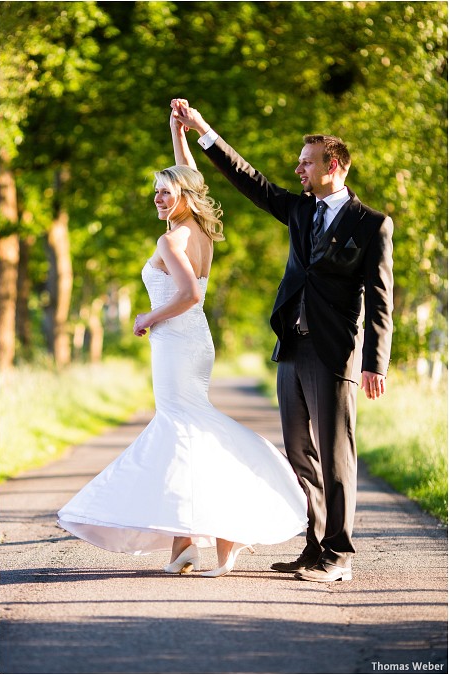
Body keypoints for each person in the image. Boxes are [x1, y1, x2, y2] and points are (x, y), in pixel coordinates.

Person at [57, 109, 308, 578]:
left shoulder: (171, 241)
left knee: (182, 430)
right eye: (155, 190)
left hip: (176, 341)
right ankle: (192, 542)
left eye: (164, 192)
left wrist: (147, 318)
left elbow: (190, 293)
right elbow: (188, 180)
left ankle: (214, 536)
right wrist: (177, 133)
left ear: (182, 198)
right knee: (186, 433)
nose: (157, 197)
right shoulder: (200, 232)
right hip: (194, 342)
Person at [171, 98, 394, 583]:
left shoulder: (372, 224)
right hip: (291, 348)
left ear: (332, 165)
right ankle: (313, 548)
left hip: (335, 352)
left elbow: (380, 300)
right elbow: (250, 180)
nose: (298, 169)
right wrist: (203, 129)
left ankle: (339, 558)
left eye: (307, 162)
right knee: (299, 454)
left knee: (335, 455)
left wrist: (376, 363)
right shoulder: (299, 210)